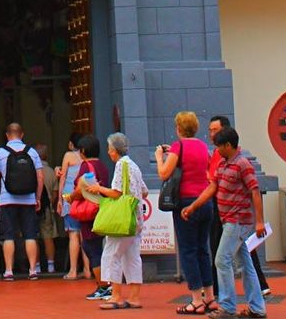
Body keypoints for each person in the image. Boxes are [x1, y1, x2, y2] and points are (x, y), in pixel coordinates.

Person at [182, 125, 267, 318]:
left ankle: (228, 307)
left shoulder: (242, 164)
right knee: (245, 263)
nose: (217, 150)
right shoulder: (223, 163)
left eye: (219, 146)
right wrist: (194, 206)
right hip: (231, 220)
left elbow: (255, 191)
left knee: (222, 260)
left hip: (238, 220)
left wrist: (259, 221)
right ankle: (257, 308)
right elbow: (213, 187)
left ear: (228, 145)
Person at [155, 111, 214, 314]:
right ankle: (210, 296)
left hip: (186, 202)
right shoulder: (203, 146)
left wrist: (159, 157)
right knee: (203, 249)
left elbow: (164, 173)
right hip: (205, 201)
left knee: (188, 250)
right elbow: (208, 171)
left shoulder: (178, 146)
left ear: (179, 128)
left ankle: (196, 299)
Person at [81, 132, 147, 311]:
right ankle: (134, 297)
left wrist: (98, 188)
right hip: (135, 219)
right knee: (132, 257)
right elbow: (144, 191)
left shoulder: (121, 165)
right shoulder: (133, 165)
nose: (109, 153)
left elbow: (116, 192)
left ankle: (116, 296)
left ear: (114, 150)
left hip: (122, 220)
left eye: (110, 149)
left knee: (111, 255)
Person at [0, 122, 44, 281]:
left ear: (7, 135)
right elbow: (40, 176)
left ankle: (8, 271)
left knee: (8, 236)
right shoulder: (32, 152)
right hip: (28, 200)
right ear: (22, 134)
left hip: (7, 200)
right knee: (30, 235)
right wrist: (38, 197)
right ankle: (33, 270)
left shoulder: (0, 152)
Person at [68, 133, 111, 300]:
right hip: (102, 209)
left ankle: (103, 286)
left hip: (89, 212)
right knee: (99, 248)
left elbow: (81, 189)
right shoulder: (103, 166)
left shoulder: (86, 167)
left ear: (84, 150)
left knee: (90, 247)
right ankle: (105, 285)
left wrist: (71, 197)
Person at [57, 132, 92, 281]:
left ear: (72, 144)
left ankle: (72, 270)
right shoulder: (87, 157)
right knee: (85, 234)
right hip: (85, 197)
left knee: (73, 234)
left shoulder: (69, 156)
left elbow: (63, 177)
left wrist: (59, 199)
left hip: (70, 196)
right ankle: (87, 269)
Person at [33, 143, 59, 273]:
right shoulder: (51, 172)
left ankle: (36, 266)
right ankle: (51, 265)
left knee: (33, 237)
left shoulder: (31, 170)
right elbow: (55, 193)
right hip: (47, 208)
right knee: (48, 237)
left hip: (32, 207)